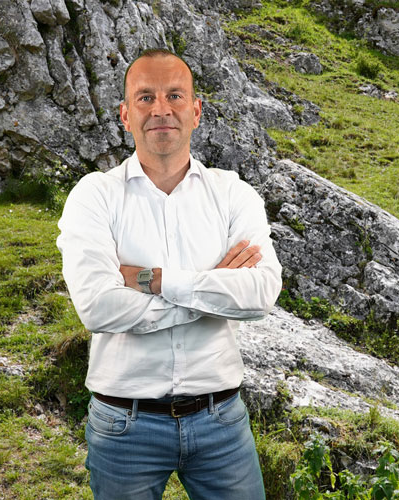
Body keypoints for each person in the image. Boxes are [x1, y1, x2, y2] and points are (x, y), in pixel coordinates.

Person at [57, 48, 282, 500]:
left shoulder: (232, 193)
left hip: (221, 422)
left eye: (175, 95)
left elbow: (261, 291)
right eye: (145, 98)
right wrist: (211, 290)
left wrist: (154, 279)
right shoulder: (94, 196)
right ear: (125, 114)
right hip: (124, 425)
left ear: (196, 111)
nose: (161, 109)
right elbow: (98, 307)